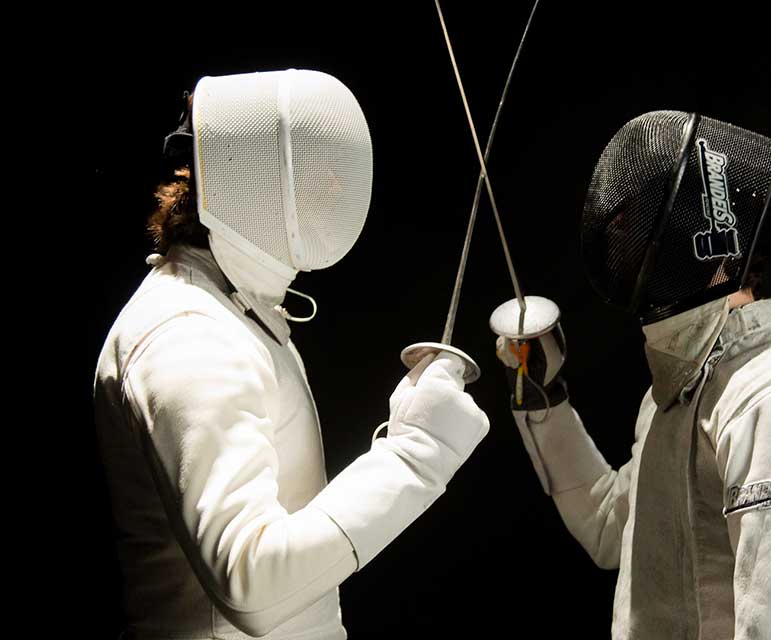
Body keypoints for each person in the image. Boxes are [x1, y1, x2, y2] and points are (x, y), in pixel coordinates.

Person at [93, 69, 489, 640]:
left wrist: (401, 436)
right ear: (252, 182)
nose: (333, 193)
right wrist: (415, 456)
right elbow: (252, 585)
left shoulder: (230, 309)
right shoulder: (189, 336)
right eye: (315, 176)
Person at [492, 111, 771, 639]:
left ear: (700, 234)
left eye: (635, 220)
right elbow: (608, 526)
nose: (617, 232)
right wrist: (544, 399)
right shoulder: (681, 391)